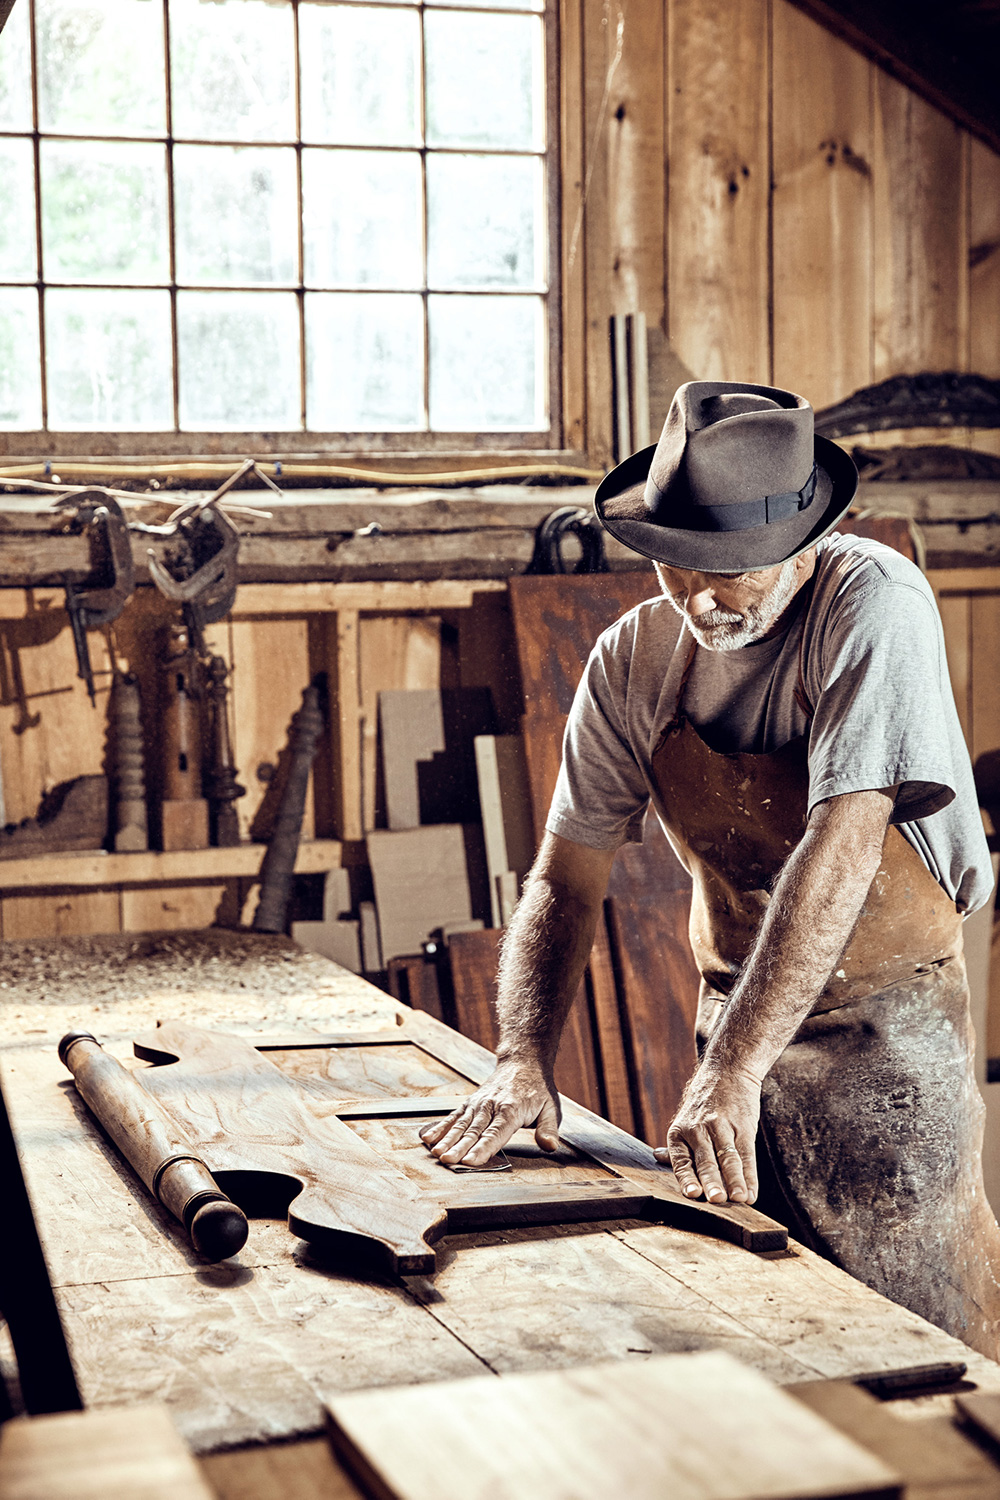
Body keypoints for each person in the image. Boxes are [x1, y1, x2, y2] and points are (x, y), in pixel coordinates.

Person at [421, 380, 1000, 1358]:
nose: (698, 596)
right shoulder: (631, 661)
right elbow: (565, 878)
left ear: (804, 541)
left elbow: (845, 841)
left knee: (923, 1332)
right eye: (678, 564)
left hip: (887, 1027)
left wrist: (732, 1068)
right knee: (767, 1323)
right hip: (736, 1005)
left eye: (730, 569)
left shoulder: (873, 603)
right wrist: (522, 1056)